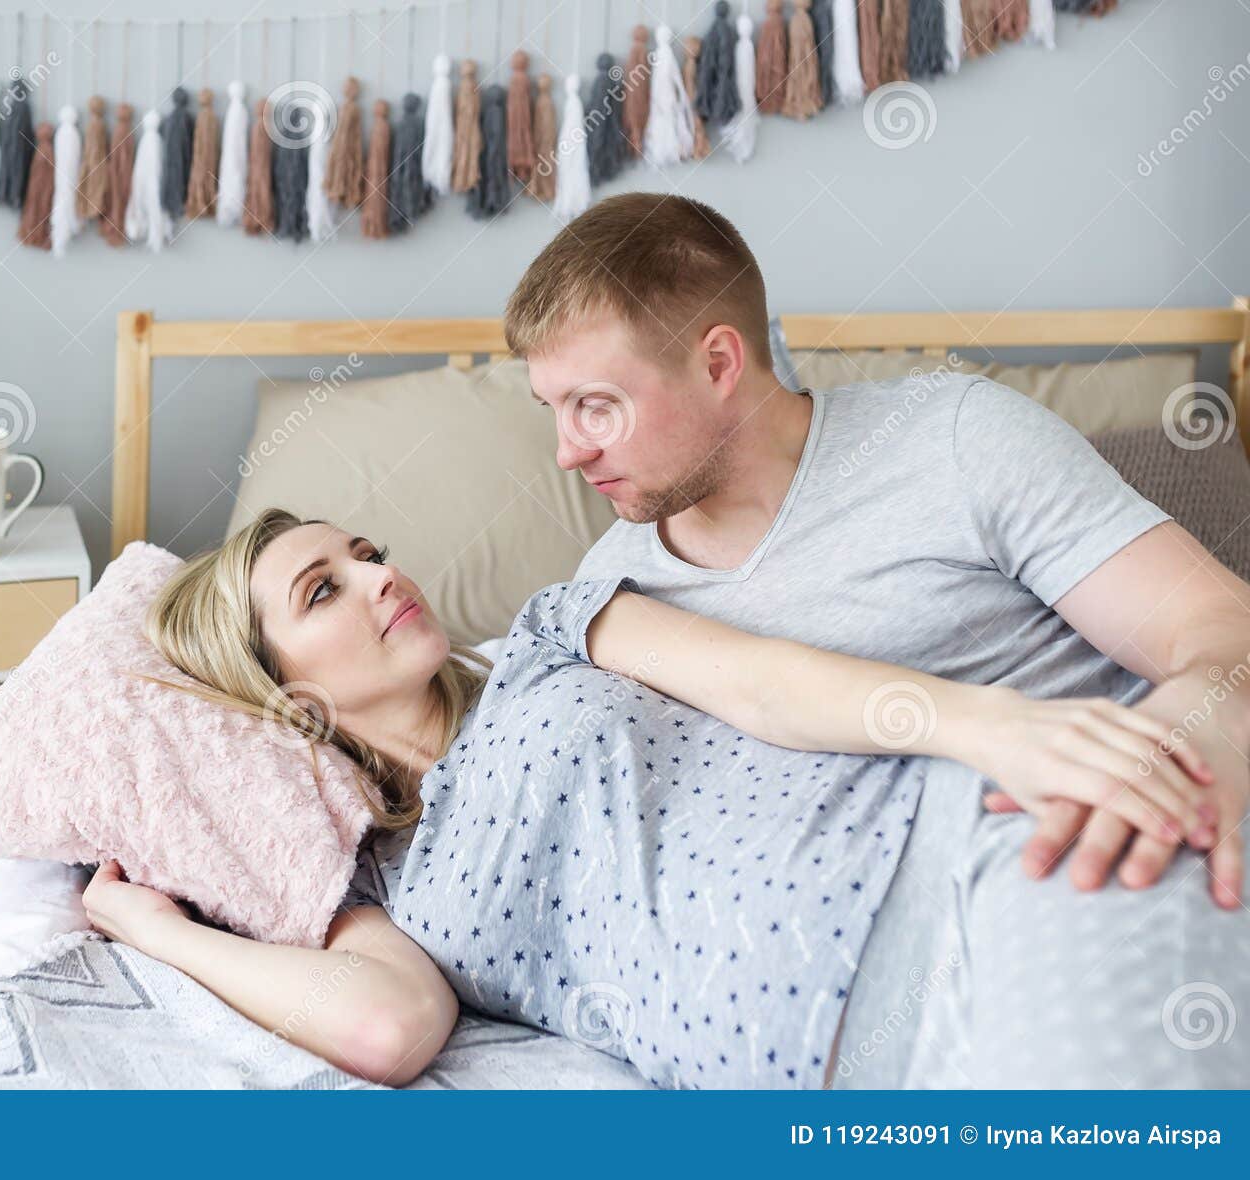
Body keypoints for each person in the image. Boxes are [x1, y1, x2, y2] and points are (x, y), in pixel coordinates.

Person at [504, 191, 1250, 1087]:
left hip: (1091, 862)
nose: (566, 453)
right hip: (868, 987)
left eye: (595, 405)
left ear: (718, 362)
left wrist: (1198, 736)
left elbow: (1218, 632)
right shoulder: (611, 596)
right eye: (553, 408)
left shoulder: (954, 439)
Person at [84, 508, 1211, 1087]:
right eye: (326, 588)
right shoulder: (364, 881)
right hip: (868, 1068)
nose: (385, 575)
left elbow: (766, 686)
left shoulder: (548, 632)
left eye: (368, 552)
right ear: (279, 693)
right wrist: (154, 929)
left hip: (970, 868)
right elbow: (387, 1027)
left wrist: (995, 722)